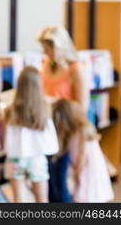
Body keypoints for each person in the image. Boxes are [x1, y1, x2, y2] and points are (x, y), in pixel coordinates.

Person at [38, 26, 90, 202]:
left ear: (61, 46)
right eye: (45, 48)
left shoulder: (76, 69)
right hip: (47, 128)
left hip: (66, 131)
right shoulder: (46, 65)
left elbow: (82, 107)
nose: (47, 52)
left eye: (50, 48)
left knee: (60, 181)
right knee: (48, 180)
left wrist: (56, 102)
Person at [2, 66, 59, 203]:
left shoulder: (9, 110)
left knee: (19, 199)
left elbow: (5, 136)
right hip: (37, 158)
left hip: (16, 158)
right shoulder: (45, 107)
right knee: (42, 198)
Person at [52, 99, 114, 202]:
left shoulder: (80, 131)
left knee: (87, 197)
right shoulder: (75, 131)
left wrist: (77, 173)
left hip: (86, 171)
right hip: (86, 170)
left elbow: (82, 156)